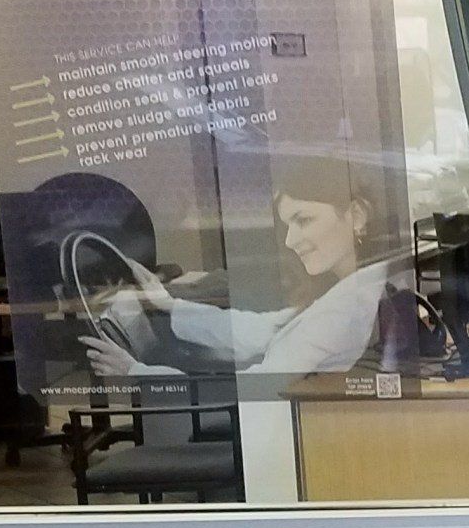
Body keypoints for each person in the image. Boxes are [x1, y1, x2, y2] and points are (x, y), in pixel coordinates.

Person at [82, 159, 412, 383]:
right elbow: (262, 330)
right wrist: (168, 304)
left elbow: (249, 393)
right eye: (287, 225)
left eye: (303, 220)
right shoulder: (356, 290)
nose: (290, 240)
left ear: (356, 216)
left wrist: (135, 370)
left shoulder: (345, 309)